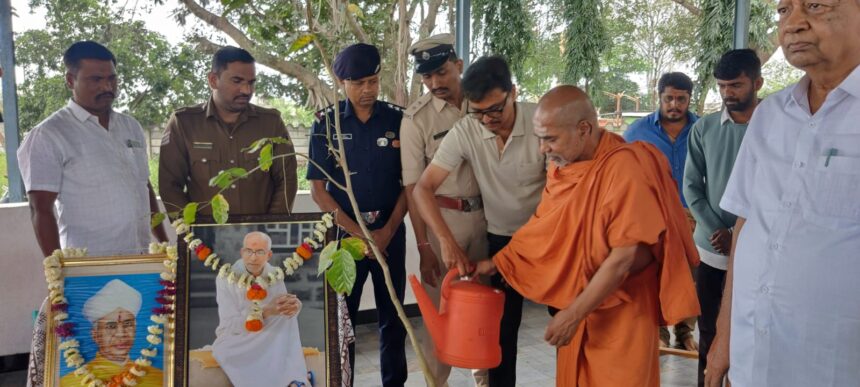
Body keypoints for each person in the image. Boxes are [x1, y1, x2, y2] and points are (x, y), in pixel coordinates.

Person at [472, 85, 699, 386]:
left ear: (584, 128)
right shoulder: (562, 168)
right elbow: (544, 225)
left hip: (622, 310)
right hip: (580, 302)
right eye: (540, 139)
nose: (543, 149)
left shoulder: (625, 167)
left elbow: (624, 257)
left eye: (550, 139)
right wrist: (500, 262)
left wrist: (573, 315)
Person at [705, 1, 860, 386]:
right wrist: (724, 337)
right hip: (754, 359)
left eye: (816, 6)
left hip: (835, 365)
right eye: (783, 10)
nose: (792, 24)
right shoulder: (772, 115)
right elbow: (746, 223)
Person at [17, 41, 168, 387]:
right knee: (86, 362)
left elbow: (144, 189)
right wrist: (58, 271)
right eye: (95, 79)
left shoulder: (130, 127)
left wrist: (163, 244)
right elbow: (40, 209)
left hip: (140, 265)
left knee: (139, 360)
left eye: (112, 78)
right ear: (70, 80)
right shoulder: (49, 135)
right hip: (87, 269)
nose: (107, 87)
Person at [413, 55, 545, 387]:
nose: (487, 120)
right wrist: (444, 239)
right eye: (478, 111)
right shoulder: (467, 130)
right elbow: (423, 188)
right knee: (502, 333)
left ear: (513, 92)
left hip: (547, 238)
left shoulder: (542, 122)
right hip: (501, 240)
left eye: (495, 110)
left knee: (568, 320)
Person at [306, 43, 408, 387]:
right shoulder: (325, 124)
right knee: (342, 321)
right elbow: (319, 192)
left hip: (390, 234)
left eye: (374, 81)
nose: (368, 90)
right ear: (341, 81)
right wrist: (360, 235)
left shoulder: (397, 120)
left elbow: (409, 185)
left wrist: (387, 231)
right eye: (359, 83)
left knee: (393, 319)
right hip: (344, 239)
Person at [401, 33, 489, 387]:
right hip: (443, 223)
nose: (435, 83)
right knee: (440, 314)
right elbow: (412, 187)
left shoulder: (484, 102)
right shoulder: (416, 119)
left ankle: (485, 380)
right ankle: (437, 383)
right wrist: (425, 247)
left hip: (488, 219)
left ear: (459, 65)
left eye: (441, 73)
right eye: (426, 77)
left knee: (486, 310)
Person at [683, 48, 761, 387]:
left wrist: (738, 233)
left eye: (736, 85)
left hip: (758, 249)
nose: (728, 93)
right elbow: (691, 187)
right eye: (722, 86)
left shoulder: (774, 124)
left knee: (753, 331)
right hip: (711, 251)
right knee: (710, 330)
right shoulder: (705, 128)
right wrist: (718, 229)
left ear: (757, 82)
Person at [159, 46, 297, 216]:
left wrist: (269, 229)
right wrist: (193, 235)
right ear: (213, 80)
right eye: (237, 81)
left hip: (260, 238)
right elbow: (170, 185)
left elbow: (287, 179)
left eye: (251, 82)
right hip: (204, 237)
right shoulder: (184, 123)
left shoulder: (271, 123)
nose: (246, 90)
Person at [624, 71, 699, 350]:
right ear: (659, 97)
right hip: (652, 213)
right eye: (669, 98)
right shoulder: (637, 132)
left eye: (681, 99)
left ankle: (685, 332)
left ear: (690, 99)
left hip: (692, 214)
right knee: (655, 273)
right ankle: (659, 332)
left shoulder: (701, 129)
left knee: (689, 274)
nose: (675, 105)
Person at [212, 232, 308, 387]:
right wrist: (264, 312)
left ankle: (294, 378)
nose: (253, 257)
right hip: (238, 336)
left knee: (286, 317)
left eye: (260, 252)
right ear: (242, 252)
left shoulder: (275, 274)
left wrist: (296, 306)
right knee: (222, 351)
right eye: (249, 251)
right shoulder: (225, 277)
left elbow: (283, 307)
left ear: (269, 255)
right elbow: (229, 324)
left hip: (267, 333)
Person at [60, 279, 164, 386]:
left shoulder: (159, 379)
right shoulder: (69, 382)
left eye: (128, 324)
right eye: (111, 326)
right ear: (95, 335)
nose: (121, 333)